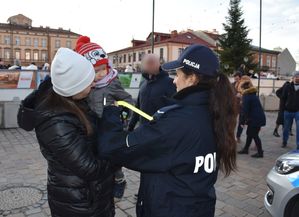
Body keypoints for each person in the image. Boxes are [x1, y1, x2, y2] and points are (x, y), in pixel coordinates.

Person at [97, 44, 238, 217]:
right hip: (199, 206)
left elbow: (114, 148)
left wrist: (110, 114)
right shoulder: (214, 111)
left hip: (170, 208)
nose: (174, 80)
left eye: (178, 75)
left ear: (192, 78)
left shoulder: (177, 122)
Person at [18, 48, 115, 217]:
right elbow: (90, 168)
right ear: (74, 85)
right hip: (79, 204)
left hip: (90, 196)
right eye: (88, 81)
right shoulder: (56, 122)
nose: (93, 83)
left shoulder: (72, 101)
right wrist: (121, 152)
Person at [75, 36, 133, 200]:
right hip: (90, 126)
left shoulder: (112, 83)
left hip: (108, 126)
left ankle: (119, 179)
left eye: (103, 69)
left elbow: (128, 100)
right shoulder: (84, 85)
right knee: (94, 156)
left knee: (111, 154)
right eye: (96, 71)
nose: (101, 75)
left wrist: (122, 115)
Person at [128, 54, 176, 131]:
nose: (148, 65)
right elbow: (138, 108)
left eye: (151, 62)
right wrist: (130, 127)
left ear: (158, 64)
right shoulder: (143, 84)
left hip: (161, 132)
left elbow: (175, 110)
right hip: (143, 131)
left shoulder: (170, 83)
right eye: (146, 63)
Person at [238, 79, 266, 158]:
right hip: (257, 118)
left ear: (243, 88)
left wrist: (242, 122)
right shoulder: (252, 94)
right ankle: (246, 149)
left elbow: (245, 110)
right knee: (249, 134)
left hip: (255, 119)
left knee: (254, 135)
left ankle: (260, 152)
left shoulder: (246, 96)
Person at [281, 71, 299, 149]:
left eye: (298, 76)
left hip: (298, 111)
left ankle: (298, 144)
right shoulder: (287, 86)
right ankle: (284, 141)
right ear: (293, 77)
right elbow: (283, 97)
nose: (297, 78)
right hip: (287, 111)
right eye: (296, 76)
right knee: (286, 128)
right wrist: (283, 107)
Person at [232, 72, 243, 142]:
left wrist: (241, 96)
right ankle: (232, 135)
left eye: (237, 77)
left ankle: (238, 136)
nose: (236, 78)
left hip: (242, 106)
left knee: (241, 121)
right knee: (233, 121)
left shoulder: (243, 85)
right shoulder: (232, 84)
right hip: (234, 105)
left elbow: (245, 93)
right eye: (235, 77)